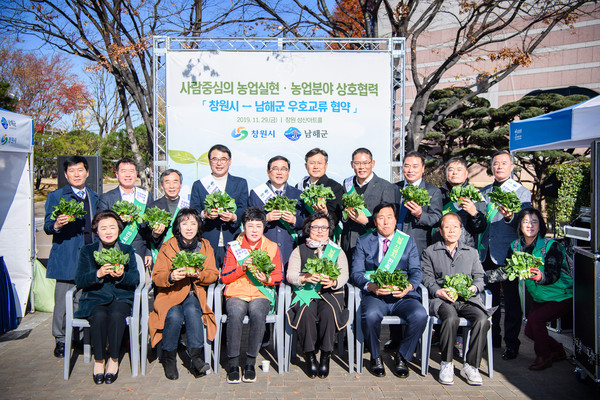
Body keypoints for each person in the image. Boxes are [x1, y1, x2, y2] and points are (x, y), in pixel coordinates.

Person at [486, 208, 572, 371]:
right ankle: (558, 350)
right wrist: (483, 277)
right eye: (525, 221)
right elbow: (507, 271)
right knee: (530, 332)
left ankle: (544, 356)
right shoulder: (516, 245)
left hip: (561, 295)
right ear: (520, 225)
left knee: (536, 321)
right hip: (541, 297)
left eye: (534, 221)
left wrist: (541, 276)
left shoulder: (551, 246)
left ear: (540, 226)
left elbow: (553, 274)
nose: (530, 225)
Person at [350, 202, 428, 378]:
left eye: (389, 217)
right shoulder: (363, 241)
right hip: (376, 295)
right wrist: (371, 287)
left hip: (403, 296)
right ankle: (375, 356)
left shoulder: (407, 242)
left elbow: (416, 271)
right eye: (381, 218)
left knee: (420, 315)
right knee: (369, 315)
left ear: (395, 221)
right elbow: (356, 273)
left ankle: (403, 356)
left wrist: (409, 286)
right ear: (375, 221)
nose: (385, 222)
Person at [148, 208, 219, 380]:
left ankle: (196, 357)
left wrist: (199, 275)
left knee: (193, 311)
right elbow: (156, 277)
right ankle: (169, 358)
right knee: (173, 315)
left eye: (193, 223)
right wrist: (171, 276)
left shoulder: (205, 246)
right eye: (184, 223)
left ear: (198, 226)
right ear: (178, 227)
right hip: (170, 294)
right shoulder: (168, 246)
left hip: (193, 293)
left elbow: (213, 274)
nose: (189, 227)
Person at [421, 213, 491, 386]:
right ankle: (447, 362)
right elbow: (427, 279)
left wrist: (473, 288)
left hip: (467, 300)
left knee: (482, 319)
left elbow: (480, 278)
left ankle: (471, 365)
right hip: (442, 300)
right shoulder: (430, 252)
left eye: (455, 227)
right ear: (440, 230)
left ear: (461, 230)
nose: (451, 230)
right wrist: (438, 291)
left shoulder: (471, 253)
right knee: (450, 318)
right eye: (447, 227)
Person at [74, 210, 139, 385]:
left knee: (117, 315)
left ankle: (114, 360)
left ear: (119, 229)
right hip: (95, 297)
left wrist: (122, 276)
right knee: (100, 316)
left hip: (121, 298)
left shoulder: (127, 250)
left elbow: (135, 279)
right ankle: (99, 360)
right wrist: (98, 274)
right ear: (96, 231)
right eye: (103, 228)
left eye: (112, 227)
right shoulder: (88, 251)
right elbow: (79, 279)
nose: (108, 231)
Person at [44, 156, 99, 358]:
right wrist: (57, 224)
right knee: (63, 300)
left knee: (84, 298)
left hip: (89, 256)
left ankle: (82, 337)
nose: (76, 174)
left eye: (80, 170)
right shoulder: (56, 196)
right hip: (67, 256)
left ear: (87, 173)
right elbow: (47, 227)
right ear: (66, 175)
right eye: (72, 171)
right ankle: (61, 339)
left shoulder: (94, 197)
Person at [220, 207, 283, 384]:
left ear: (264, 227)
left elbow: (279, 276)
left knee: (257, 312)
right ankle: (233, 364)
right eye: (250, 226)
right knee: (235, 312)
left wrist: (268, 278)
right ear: (243, 227)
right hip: (237, 292)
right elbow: (224, 277)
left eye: (258, 226)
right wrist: (242, 268)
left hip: (260, 292)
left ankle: (250, 363)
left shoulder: (271, 247)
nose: (254, 230)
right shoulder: (234, 247)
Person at [479, 150, 531, 360]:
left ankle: (512, 343)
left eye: (503, 163)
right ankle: (492, 339)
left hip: (509, 254)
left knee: (511, 302)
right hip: (485, 253)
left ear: (512, 167)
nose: (499, 166)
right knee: (488, 301)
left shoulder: (521, 192)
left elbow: (526, 224)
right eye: (495, 163)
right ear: (491, 167)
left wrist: (511, 217)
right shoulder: (483, 192)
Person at [286, 212, 349, 379]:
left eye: (324, 227)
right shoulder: (299, 250)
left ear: (329, 230)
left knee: (328, 312)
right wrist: (304, 278)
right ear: (308, 229)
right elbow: (290, 275)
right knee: (306, 312)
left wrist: (334, 282)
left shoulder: (337, 251)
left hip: (331, 293)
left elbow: (344, 274)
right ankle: (310, 354)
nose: (320, 231)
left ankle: (326, 355)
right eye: (315, 227)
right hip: (306, 292)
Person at [190, 144, 248, 267]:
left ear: (229, 161)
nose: (219, 163)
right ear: (209, 161)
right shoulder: (199, 185)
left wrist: (234, 217)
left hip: (233, 238)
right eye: (215, 159)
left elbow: (244, 208)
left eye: (223, 159)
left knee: (232, 280)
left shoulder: (240, 183)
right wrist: (204, 214)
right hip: (207, 239)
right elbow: (193, 210)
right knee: (208, 279)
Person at [248, 155, 305, 268]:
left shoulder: (298, 194)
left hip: (290, 247)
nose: (279, 172)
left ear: (288, 172)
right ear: (268, 172)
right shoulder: (256, 193)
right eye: (275, 169)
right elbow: (248, 220)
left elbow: (306, 221)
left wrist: (294, 220)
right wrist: (265, 218)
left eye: (284, 169)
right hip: (264, 247)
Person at [340, 148, 397, 257]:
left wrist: (367, 221)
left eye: (366, 163)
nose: (361, 167)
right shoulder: (347, 184)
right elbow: (341, 210)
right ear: (352, 164)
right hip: (348, 243)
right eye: (357, 163)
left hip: (373, 242)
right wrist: (345, 216)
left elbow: (389, 217)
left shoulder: (385, 186)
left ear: (372, 163)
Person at [97, 157, 153, 268]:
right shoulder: (106, 198)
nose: (128, 175)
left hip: (139, 251)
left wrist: (148, 251)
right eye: (123, 171)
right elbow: (99, 226)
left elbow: (149, 227)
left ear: (136, 174)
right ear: (117, 174)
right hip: (114, 250)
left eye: (131, 171)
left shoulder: (145, 196)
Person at [395, 151, 443, 255]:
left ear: (423, 168)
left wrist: (420, 214)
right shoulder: (394, 188)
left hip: (418, 247)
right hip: (393, 246)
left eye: (415, 166)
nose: (410, 170)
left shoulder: (433, 191)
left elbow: (437, 218)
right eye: (407, 166)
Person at [434, 157, 486, 248]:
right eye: (451, 170)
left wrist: (474, 214)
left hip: (466, 249)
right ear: (446, 173)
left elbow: (480, 228)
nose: (455, 173)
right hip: (439, 247)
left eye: (459, 170)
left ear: (466, 173)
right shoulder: (437, 194)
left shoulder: (474, 195)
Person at [143, 169, 188, 262]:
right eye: (167, 182)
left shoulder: (188, 206)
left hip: (183, 254)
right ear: (162, 186)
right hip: (160, 254)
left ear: (180, 184)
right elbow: (145, 234)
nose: (172, 186)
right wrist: (154, 235)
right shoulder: (152, 207)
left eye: (175, 182)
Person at [297, 148, 344, 227]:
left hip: (323, 234)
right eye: (312, 163)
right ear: (306, 166)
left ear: (326, 165)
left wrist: (325, 213)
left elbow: (336, 217)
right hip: (302, 236)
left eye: (319, 163)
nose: (316, 167)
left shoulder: (334, 187)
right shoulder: (300, 186)